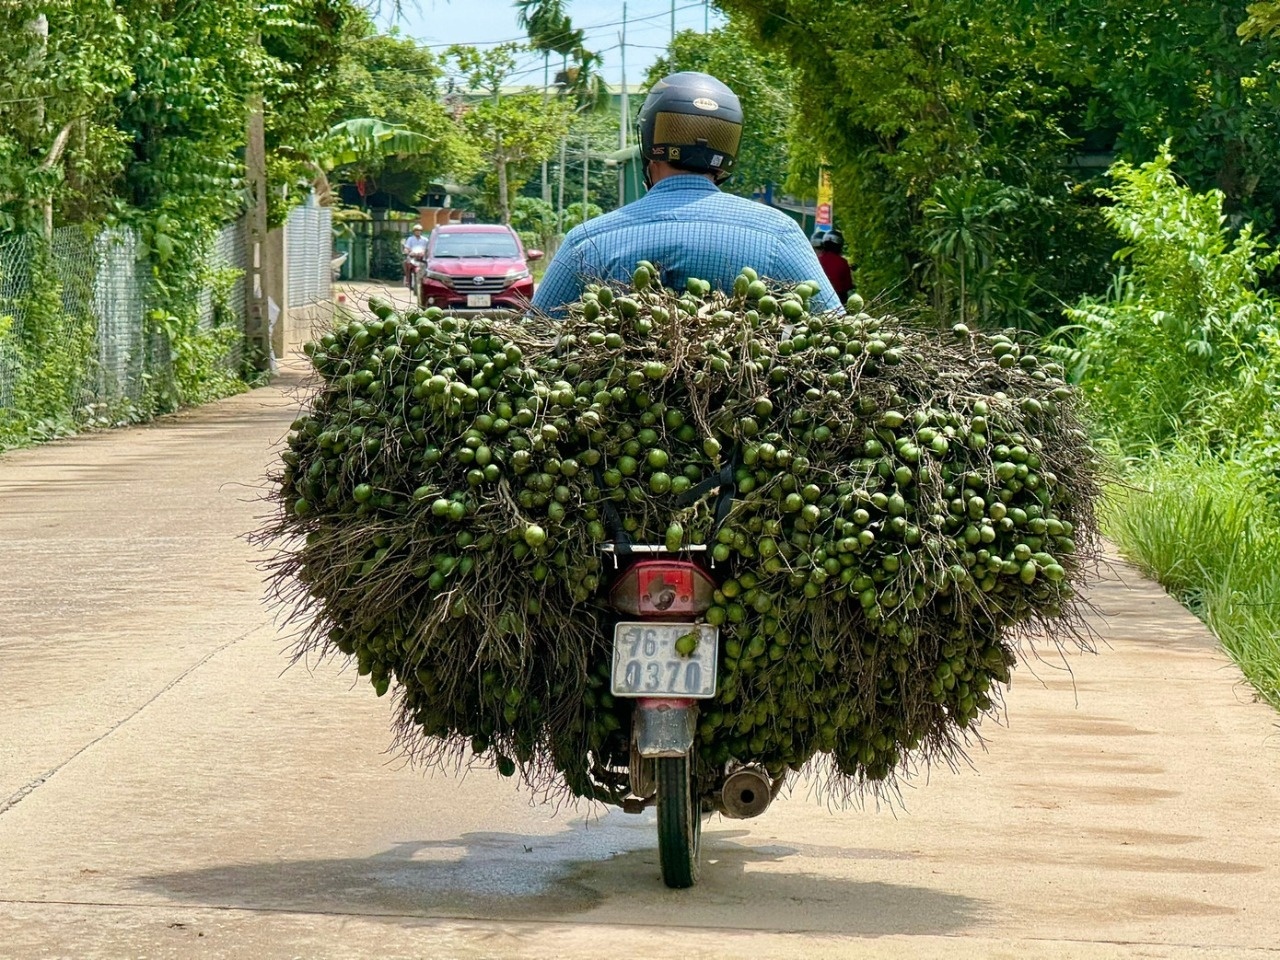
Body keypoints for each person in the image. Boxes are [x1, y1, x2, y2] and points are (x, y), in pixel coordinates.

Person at [531, 71, 840, 317]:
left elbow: (536, 345)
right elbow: (838, 335)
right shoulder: (780, 234)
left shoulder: (587, 242)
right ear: (728, 150)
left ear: (649, 143)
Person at [812, 229, 854, 304]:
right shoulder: (843, 262)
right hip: (837, 299)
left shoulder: (817, 260)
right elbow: (847, 286)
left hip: (818, 296)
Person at [402, 224, 428, 289]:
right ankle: (408, 280)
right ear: (414, 232)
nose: (418, 232)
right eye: (416, 231)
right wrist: (407, 251)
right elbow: (407, 247)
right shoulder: (410, 239)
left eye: (419, 231)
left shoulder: (425, 240)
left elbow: (428, 248)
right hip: (412, 257)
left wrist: (424, 252)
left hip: (422, 257)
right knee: (406, 263)